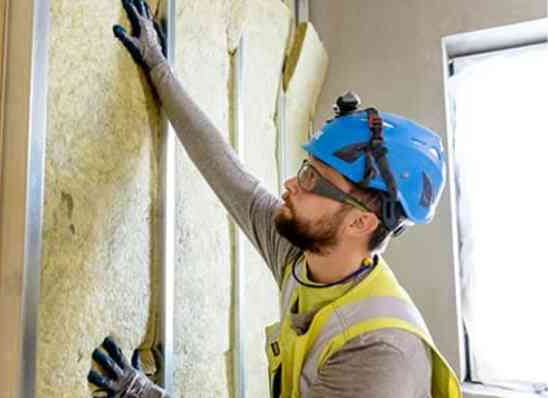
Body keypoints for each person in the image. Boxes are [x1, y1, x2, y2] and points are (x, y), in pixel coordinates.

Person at [87, 1, 462, 397]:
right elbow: (226, 171)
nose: (291, 184)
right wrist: (158, 68)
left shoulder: (378, 356)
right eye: (306, 168)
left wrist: (144, 394)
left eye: (313, 180)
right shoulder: (306, 259)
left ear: (360, 221)